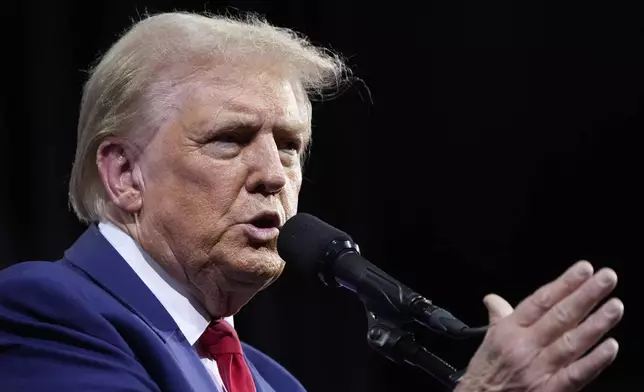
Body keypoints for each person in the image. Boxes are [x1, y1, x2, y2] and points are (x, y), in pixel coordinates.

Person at [0, 11, 623, 392]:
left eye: (291, 147)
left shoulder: (276, 384)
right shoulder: (44, 313)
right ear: (124, 173)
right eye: (230, 140)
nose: (274, 174)